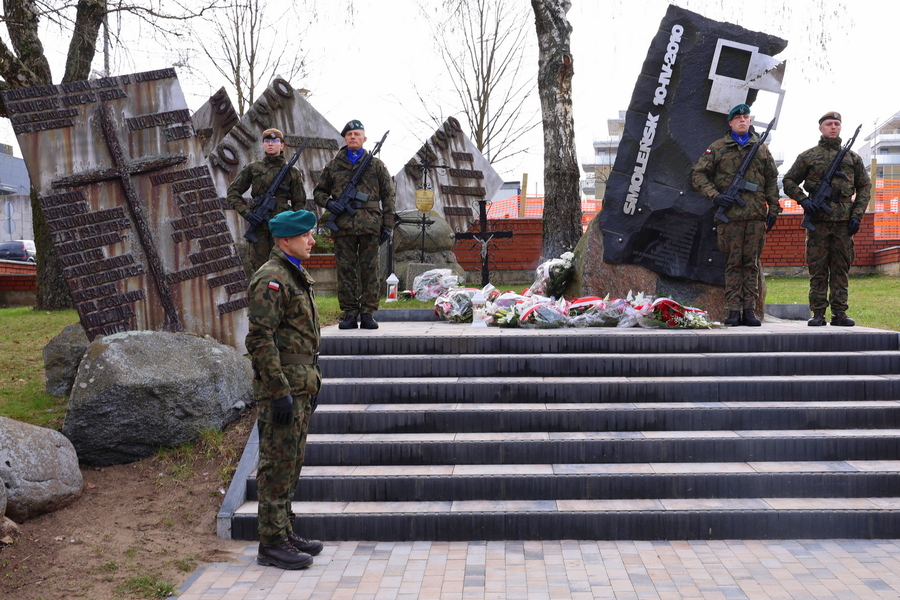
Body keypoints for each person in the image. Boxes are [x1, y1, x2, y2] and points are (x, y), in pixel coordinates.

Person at [246, 209, 324, 570]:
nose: (312, 240)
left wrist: (311, 381)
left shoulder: (293, 273)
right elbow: (260, 339)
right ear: (285, 240)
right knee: (276, 465)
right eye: (306, 235)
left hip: (300, 382)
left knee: (291, 464)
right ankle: (271, 543)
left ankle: (284, 530)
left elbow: (301, 338)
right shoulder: (271, 278)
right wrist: (278, 390)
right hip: (284, 386)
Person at [691, 104, 781, 327]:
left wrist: (774, 209)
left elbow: (771, 180)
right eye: (738, 117)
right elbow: (698, 175)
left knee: (750, 264)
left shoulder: (760, 149)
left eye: (746, 117)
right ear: (730, 122)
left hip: (756, 216)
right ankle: (733, 310)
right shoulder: (718, 148)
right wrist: (716, 196)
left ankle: (749, 310)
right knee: (732, 264)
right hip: (730, 217)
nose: (743, 120)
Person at [783, 111, 871, 327]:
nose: (833, 127)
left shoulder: (852, 157)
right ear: (821, 128)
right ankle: (818, 313)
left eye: (837, 124)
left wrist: (857, 215)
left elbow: (865, 186)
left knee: (841, 268)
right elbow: (789, 180)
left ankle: (839, 313)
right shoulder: (808, 156)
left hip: (843, 222)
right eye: (829, 124)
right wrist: (803, 201)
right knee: (818, 268)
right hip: (819, 222)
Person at [314, 120, 395, 330]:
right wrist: (330, 203)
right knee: (345, 270)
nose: (353, 137)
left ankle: (368, 313)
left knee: (370, 270)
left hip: (370, 224)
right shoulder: (333, 165)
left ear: (364, 138)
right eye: (349, 134)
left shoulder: (376, 164)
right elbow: (319, 193)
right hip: (343, 226)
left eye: (357, 134)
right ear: (344, 138)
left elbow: (388, 196)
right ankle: (349, 313)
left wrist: (388, 225)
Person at [228, 128, 307, 273]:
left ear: (282, 144)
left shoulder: (292, 171)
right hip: (259, 227)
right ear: (263, 144)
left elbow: (299, 202)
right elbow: (233, 192)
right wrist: (247, 213)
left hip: (283, 227)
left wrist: (295, 228)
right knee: (260, 269)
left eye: (275, 141)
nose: (271, 144)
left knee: (285, 268)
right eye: (267, 141)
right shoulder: (253, 168)